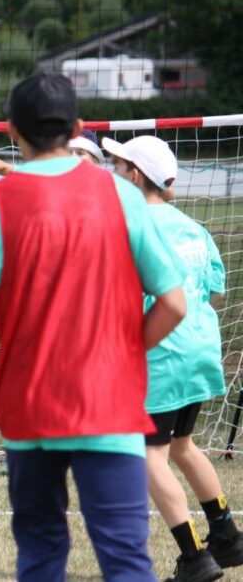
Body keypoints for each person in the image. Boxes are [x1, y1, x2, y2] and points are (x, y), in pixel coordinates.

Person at [0, 70, 187, 581]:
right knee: (127, 561)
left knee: (40, 553)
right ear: (78, 129)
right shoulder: (123, 196)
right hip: (110, 402)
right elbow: (173, 303)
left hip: (28, 405)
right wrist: (126, 350)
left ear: (11, 131)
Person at [104, 135, 243, 582]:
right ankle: (228, 536)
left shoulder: (130, 228)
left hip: (161, 356)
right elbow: (215, 290)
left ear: (135, 175)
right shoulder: (193, 228)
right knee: (182, 445)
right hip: (200, 350)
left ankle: (194, 557)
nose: (113, 173)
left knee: (149, 456)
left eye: (118, 166)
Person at [0, 128, 103, 187]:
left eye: (80, 153)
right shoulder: (48, 175)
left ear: (95, 160)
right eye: (68, 152)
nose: (73, 157)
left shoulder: (106, 186)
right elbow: (5, 167)